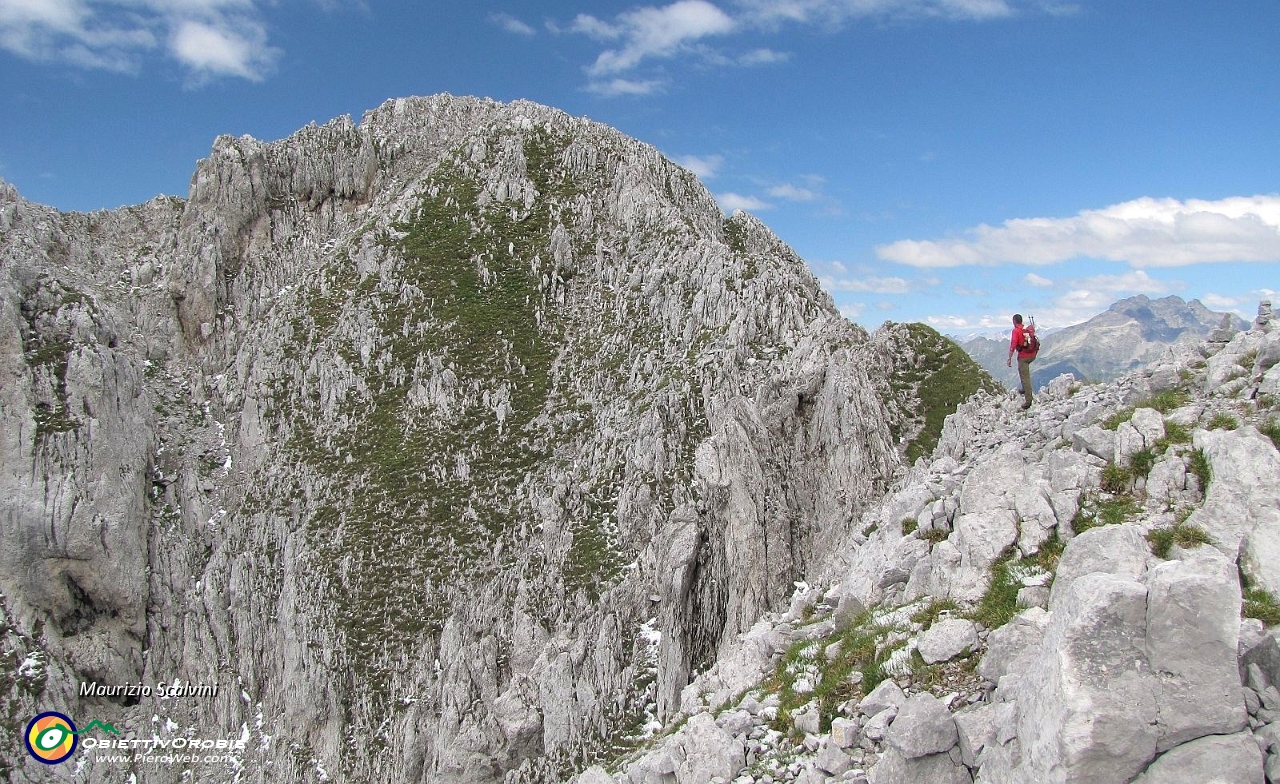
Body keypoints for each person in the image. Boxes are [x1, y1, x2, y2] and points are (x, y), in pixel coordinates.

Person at [1007, 314, 1036, 410]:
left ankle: (1028, 401)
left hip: (1024, 357)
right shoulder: (1027, 329)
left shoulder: (1016, 331)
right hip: (1032, 354)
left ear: (1014, 321)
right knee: (1022, 371)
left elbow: (1013, 344)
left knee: (1025, 377)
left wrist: (1009, 358)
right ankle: (1024, 389)